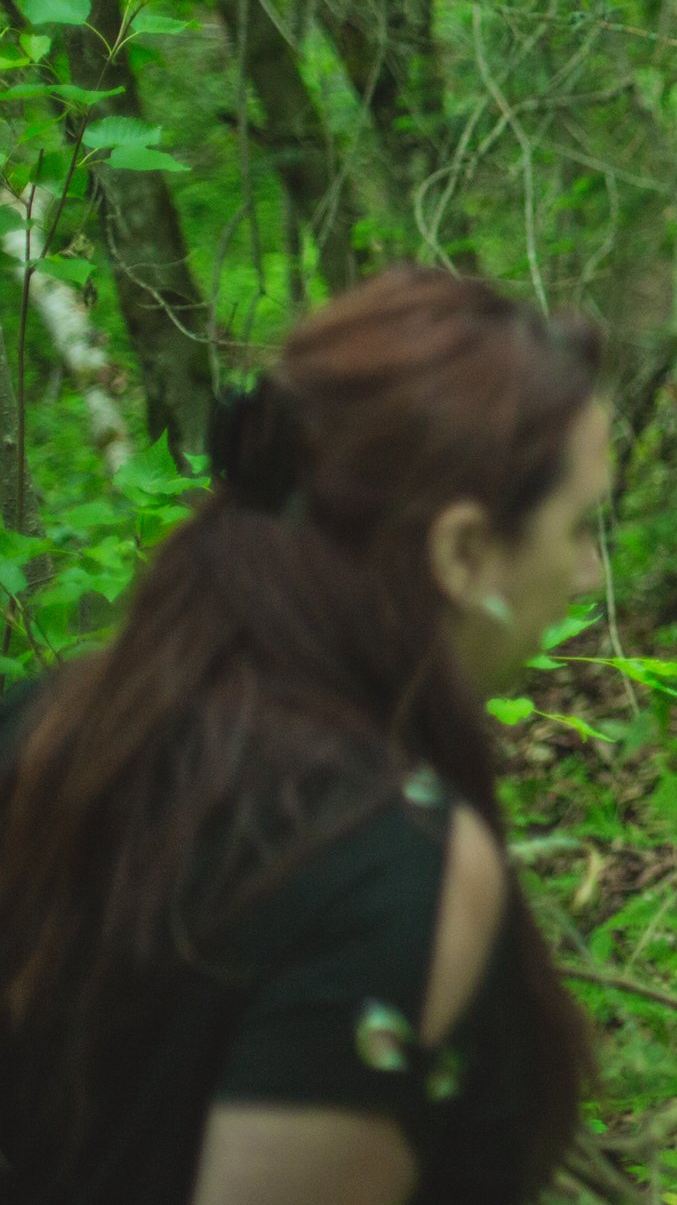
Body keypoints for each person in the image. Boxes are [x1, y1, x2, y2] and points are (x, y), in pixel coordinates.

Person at [0, 269, 605, 1205]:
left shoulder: (46, 727)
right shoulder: (387, 872)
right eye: (579, 527)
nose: (588, 574)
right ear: (462, 554)